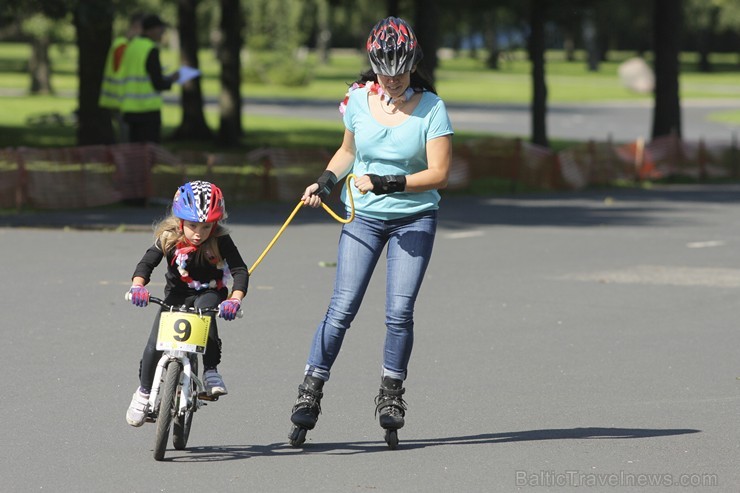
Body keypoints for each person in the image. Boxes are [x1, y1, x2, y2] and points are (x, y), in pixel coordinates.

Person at [288, 16, 453, 446]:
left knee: (399, 313)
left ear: (413, 64)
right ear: (374, 66)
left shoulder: (433, 108)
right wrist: (324, 183)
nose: (393, 80)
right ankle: (311, 388)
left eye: (400, 72)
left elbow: (439, 174)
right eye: (384, 71)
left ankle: (391, 394)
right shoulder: (359, 99)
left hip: (414, 217)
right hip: (362, 216)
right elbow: (347, 151)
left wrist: (387, 182)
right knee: (341, 307)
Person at [125, 181, 249, 427]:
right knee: (154, 344)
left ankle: (211, 371)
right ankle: (143, 393)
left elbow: (240, 270)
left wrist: (234, 300)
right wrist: (138, 286)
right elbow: (147, 263)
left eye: (206, 226)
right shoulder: (169, 237)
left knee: (206, 315)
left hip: (210, 291)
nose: (199, 233)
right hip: (176, 295)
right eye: (192, 225)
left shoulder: (220, 240)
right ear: (180, 220)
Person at [119, 14, 178, 144]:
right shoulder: (150, 49)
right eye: (160, 29)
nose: (162, 32)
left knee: (135, 152)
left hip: (130, 109)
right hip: (147, 111)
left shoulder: (131, 46)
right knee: (148, 153)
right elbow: (157, 83)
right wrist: (171, 80)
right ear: (150, 30)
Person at [98, 12, 144, 142]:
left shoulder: (130, 45)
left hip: (128, 101)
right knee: (126, 139)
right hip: (122, 101)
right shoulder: (123, 45)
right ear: (136, 26)